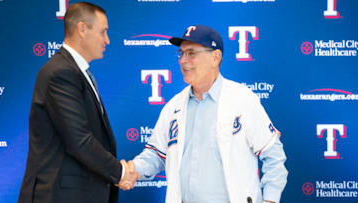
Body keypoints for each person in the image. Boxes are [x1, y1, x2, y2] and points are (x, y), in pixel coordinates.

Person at [123, 25, 288, 203]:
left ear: (215, 58)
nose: (183, 60)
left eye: (191, 53)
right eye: (181, 53)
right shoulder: (173, 107)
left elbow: (274, 156)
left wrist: (270, 200)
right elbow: (155, 155)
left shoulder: (243, 100)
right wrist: (129, 170)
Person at [18, 2, 138, 203]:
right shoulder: (60, 73)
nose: (107, 40)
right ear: (82, 29)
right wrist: (120, 172)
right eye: (103, 32)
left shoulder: (75, 72)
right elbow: (79, 141)